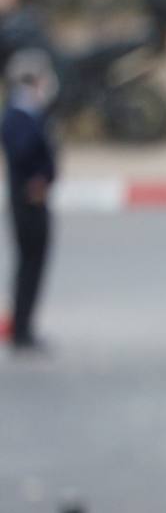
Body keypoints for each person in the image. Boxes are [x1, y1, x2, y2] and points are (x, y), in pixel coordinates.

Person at [3, 48, 58, 353]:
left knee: (36, 265)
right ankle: (21, 329)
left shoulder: (32, 112)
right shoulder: (18, 114)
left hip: (37, 201)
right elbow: (23, 152)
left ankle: (26, 325)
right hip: (27, 203)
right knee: (28, 265)